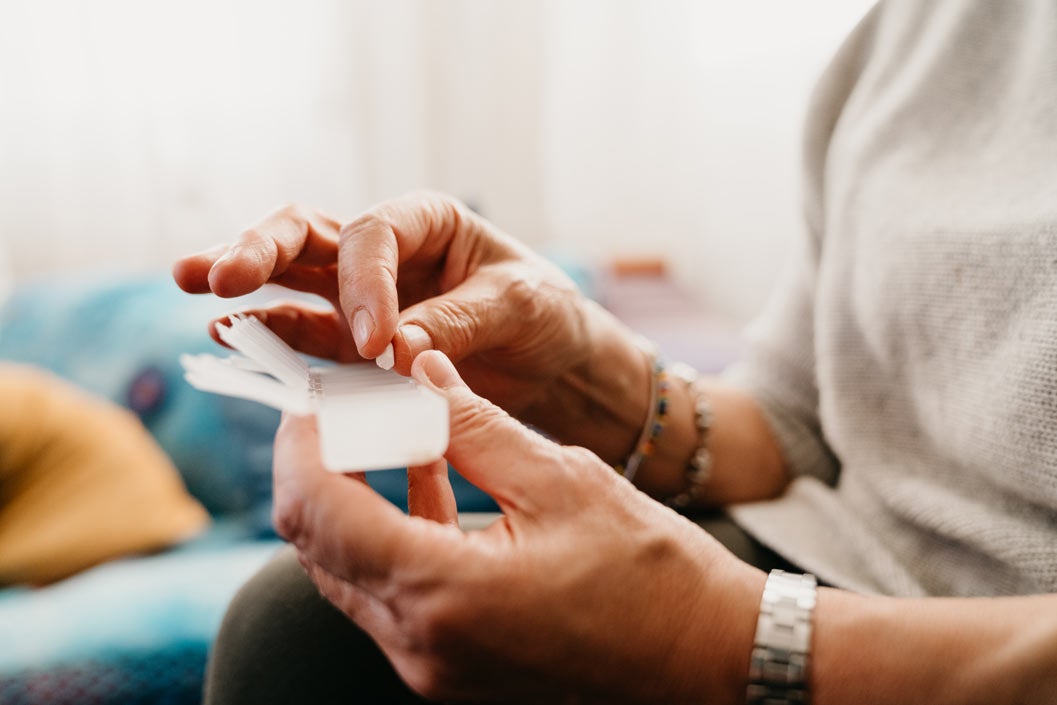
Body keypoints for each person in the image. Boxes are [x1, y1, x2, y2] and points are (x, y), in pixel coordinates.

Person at [173, 1, 1057, 703]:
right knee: (298, 635)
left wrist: (714, 639)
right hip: (825, 567)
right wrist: (583, 370)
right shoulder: (922, 26)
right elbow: (803, 422)